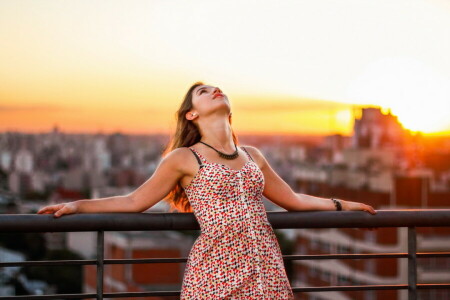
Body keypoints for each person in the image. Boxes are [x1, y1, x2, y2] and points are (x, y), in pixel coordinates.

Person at [37, 81, 377, 299]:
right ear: (192, 113)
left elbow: (293, 200)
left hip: (266, 269)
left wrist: (341, 204)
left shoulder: (252, 156)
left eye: (218, 88)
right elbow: (135, 200)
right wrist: (78, 206)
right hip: (216, 270)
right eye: (204, 92)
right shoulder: (184, 158)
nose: (216, 90)